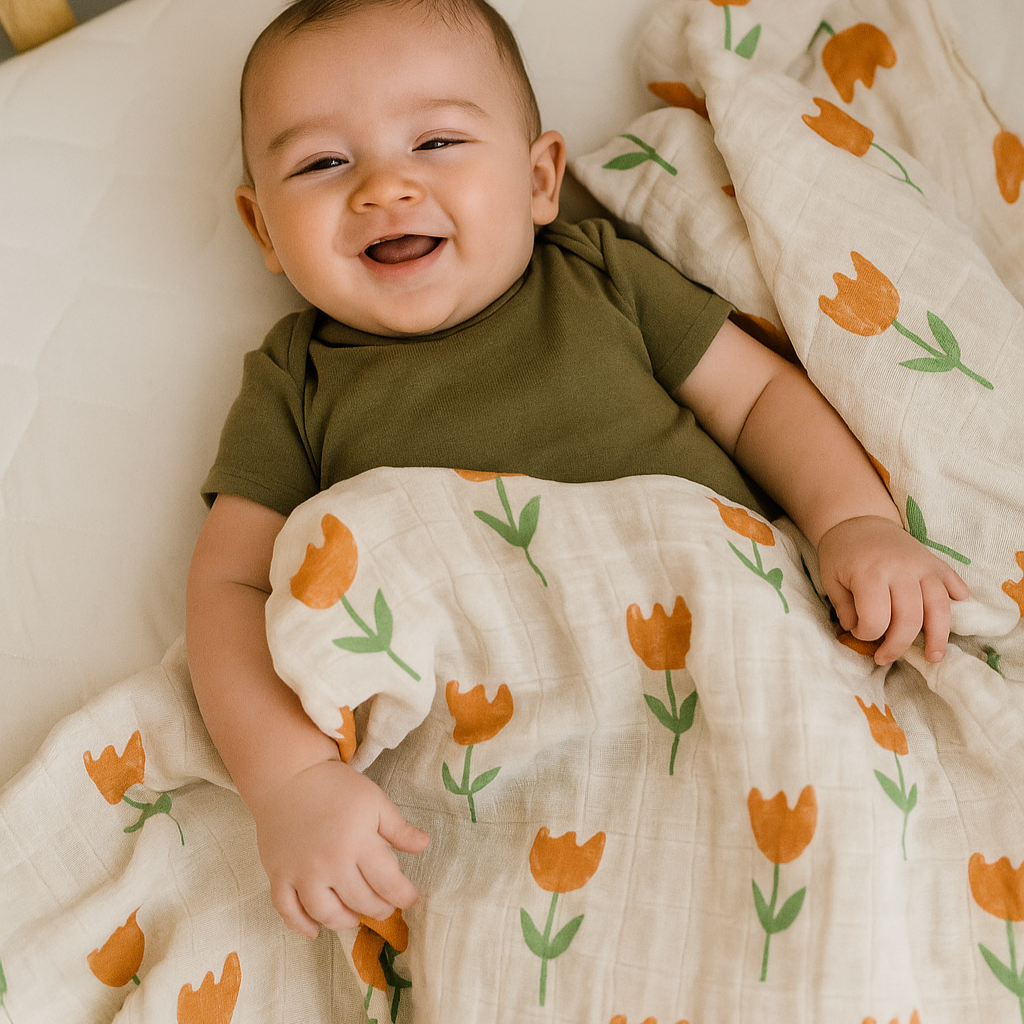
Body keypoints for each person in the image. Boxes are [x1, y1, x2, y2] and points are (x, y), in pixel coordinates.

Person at [185, 0, 969, 942]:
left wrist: (852, 523)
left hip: (733, 656)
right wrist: (291, 780)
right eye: (322, 163)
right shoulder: (296, 379)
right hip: (504, 756)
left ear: (538, 178)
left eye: (436, 142)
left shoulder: (599, 276)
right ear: (264, 229)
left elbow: (762, 399)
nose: (385, 187)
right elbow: (230, 586)